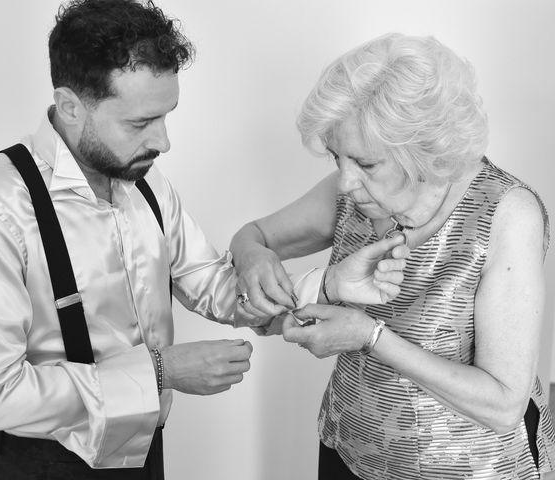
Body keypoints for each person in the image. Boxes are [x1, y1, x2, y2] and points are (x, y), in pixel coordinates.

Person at [0, 2, 408, 479]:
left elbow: (213, 285)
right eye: (140, 123)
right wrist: (160, 372)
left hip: (146, 455)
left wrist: (328, 285)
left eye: (165, 116)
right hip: (43, 467)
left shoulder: (147, 184)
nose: (163, 141)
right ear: (71, 106)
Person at [230, 33, 555, 479]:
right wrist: (249, 256)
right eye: (335, 156)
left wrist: (369, 337)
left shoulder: (506, 213)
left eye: (365, 164)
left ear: (424, 151)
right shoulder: (349, 193)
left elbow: (503, 404)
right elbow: (254, 235)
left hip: (467, 468)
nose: (344, 181)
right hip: (347, 451)